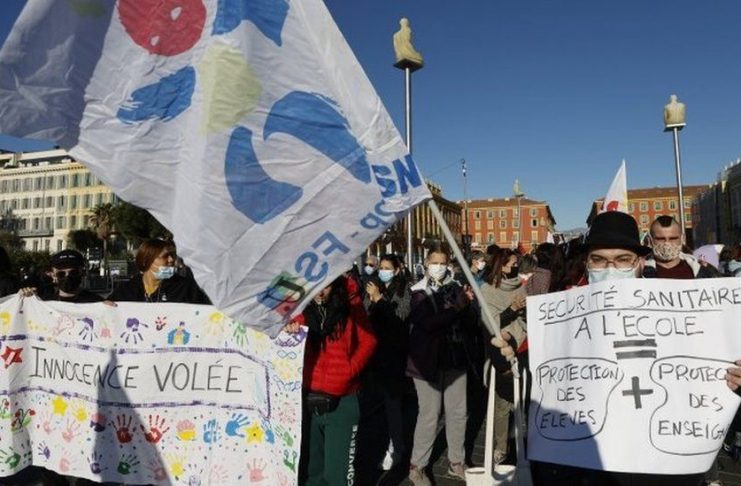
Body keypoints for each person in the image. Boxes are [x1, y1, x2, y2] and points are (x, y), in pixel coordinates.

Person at [492, 211, 741, 486]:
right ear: (587, 264)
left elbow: (709, 370)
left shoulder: (675, 311)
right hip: (586, 467)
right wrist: (505, 359)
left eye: (622, 259)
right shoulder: (563, 311)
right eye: (599, 259)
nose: (610, 268)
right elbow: (525, 382)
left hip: (665, 466)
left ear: (639, 263)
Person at [291, 275, 376, 485]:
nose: (320, 292)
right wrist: (288, 331)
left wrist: (349, 369)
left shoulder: (350, 305)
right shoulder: (296, 309)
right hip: (307, 400)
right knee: (312, 472)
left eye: (326, 286)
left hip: (343, 401)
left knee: (338, 475)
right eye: (316, 286)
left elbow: (369, 340)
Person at [406, 247, 477, 484]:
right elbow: (427, 323)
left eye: (443, 262)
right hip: (426, 362)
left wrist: (468, 307)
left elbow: (471, 323)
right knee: (429, 414)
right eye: (434, 262)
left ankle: (457, 460)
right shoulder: (418, 291)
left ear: (449, 264)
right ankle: (417, 465)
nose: (438, 266)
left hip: (455, 358)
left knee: (458, 413)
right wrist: (456, 309)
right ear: (426, 263)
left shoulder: (456, 288)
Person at [364, 254, 411, 471]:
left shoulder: (404, 290)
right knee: (376, 404)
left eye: (387, 268)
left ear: (397, 270)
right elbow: (365, 314)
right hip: (374, 354)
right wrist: (371, 298)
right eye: (380, 268)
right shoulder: (372, 288)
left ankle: (396, 446)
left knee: (393, 405)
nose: (383, 271)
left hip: (394, 355)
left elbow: (400, 317)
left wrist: (380, 300)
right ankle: (379, 443)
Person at [480, 248, 527, 465]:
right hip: (500, 353)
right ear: (502, 266)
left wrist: (523, 311)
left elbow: (526, 317)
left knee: (521, 399)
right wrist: (512, 309)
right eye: (512, 264)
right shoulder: (488, 290)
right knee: (502, 404)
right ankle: (501, 446)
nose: (516, 267)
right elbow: (490, 323)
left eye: (517, 263)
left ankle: (520, 443)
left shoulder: (520, 286)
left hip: (522, 345)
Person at [109, 239, 210, 304]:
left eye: (172, 255)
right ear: (146, 261)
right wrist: (105, 306)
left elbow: (207, 311)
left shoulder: (184, 287)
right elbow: (107, 310)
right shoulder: (126, 290)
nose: (171, 260)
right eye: (165, 256)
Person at [643, 215, 714, 279]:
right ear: (650, 240)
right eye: (660, 239)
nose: (667, 243)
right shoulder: (641, 272)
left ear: (682, 239)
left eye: (673, 238)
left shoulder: (702, 272)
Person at [21, 250, 102, 303]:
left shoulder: (97, 303)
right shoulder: (45, 303)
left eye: (73, 272)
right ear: (53, 274)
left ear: (82, 272)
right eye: (61, 274)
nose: (67, 276)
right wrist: (21, 298)